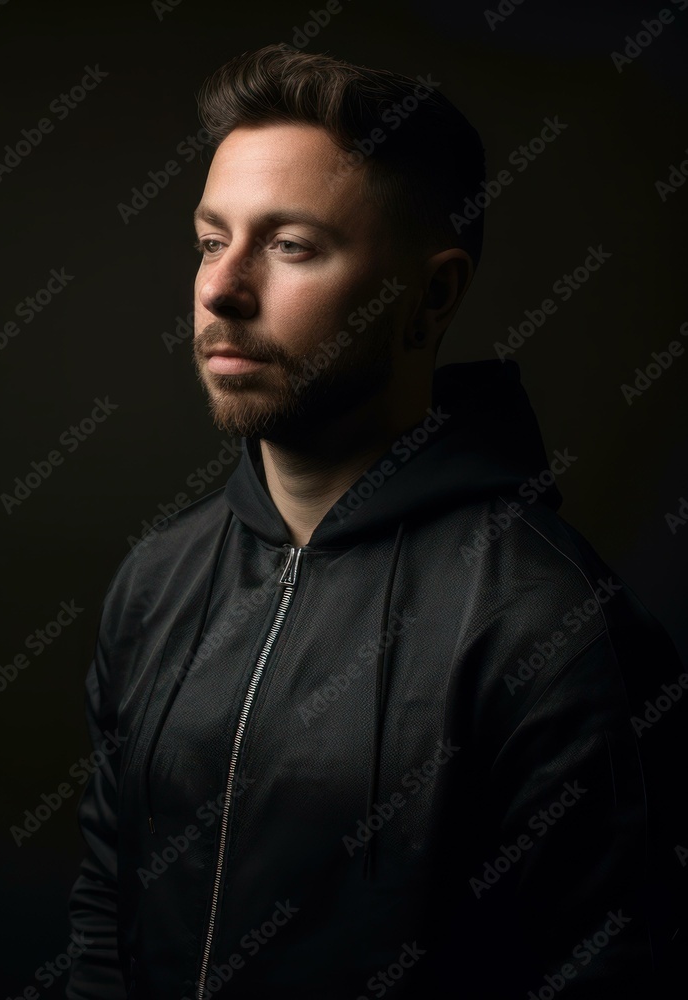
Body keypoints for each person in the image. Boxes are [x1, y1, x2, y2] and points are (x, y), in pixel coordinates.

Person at [66, 43, 683, 1000]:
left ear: (430, 295)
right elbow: (104, 917)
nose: (221, 289)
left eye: (290, 246)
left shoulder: (547, 628)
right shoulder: (158, 578)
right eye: (209, 240)